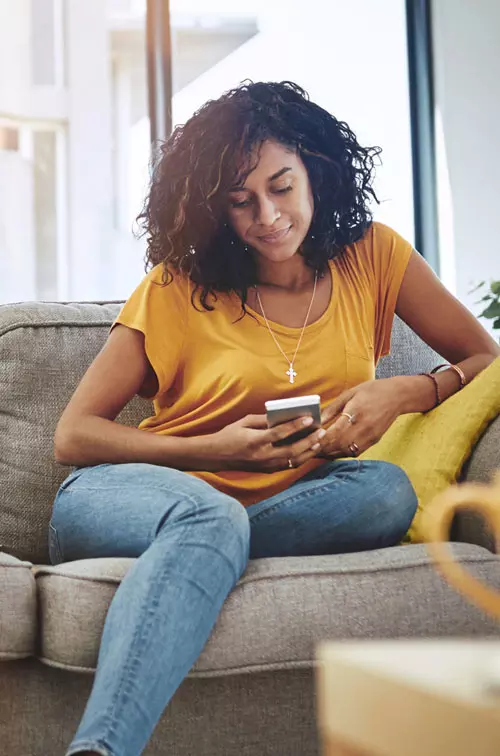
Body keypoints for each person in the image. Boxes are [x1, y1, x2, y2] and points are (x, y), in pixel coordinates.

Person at [49, 80, 499, 756]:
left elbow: (483, 357)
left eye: (281, 186)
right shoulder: (177, 286)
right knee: (211, 516)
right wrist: (212, 448)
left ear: (314, 171)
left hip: (295, 506)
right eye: (240, 201)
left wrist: (406, 392)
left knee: (385, 490)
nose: (267, 215)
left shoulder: (374, 257)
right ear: (212, 210)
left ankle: (203, 558)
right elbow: (73, 436)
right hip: (130, 497)